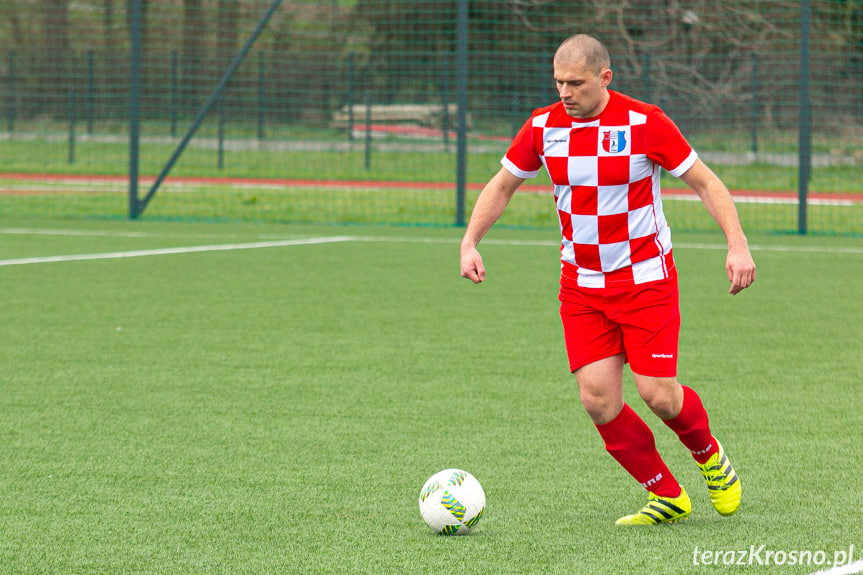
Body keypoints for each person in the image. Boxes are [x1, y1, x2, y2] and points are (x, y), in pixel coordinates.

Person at [460, 34, 756, 525]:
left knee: (658, 394)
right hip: (581, 287)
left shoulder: (645, 122)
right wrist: (470, 241)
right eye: (558, 82)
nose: (565, 92)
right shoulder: (541, 126)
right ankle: (667, 494)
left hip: (645, 282)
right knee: (597, 400)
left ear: (605, 78)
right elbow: (503, 184)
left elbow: (705, 182)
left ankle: (709, 456)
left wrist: (737, 243)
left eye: (575, 83)